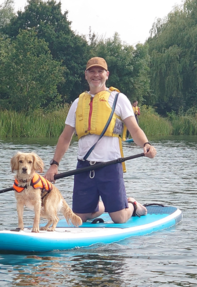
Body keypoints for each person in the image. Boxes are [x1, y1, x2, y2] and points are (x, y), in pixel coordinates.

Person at [45, 57, 157, 224]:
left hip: (110, 165)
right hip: (84, 167)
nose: (95, 75)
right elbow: (65, 137)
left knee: (118, 218)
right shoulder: (77, 103)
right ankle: (103, 205)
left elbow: (134, 129)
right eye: (91, 71)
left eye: (100, 71)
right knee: (80, 218)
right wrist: (54, 165)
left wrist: (146, 144)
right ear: (86, 75)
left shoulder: (119, 99)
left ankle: (131, 204)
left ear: (107, 74)